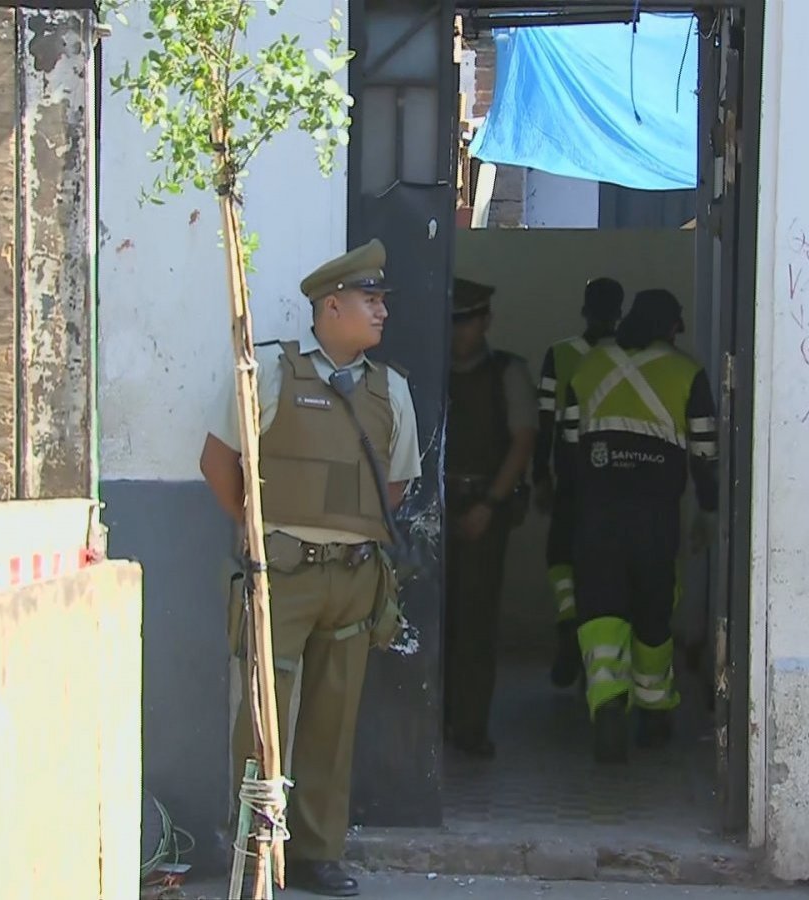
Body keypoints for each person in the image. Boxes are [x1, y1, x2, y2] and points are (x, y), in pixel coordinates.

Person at [198, 238, 421, 898]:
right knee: (263, 721)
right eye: (370, 301)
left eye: (382, 302)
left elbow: (398, 484)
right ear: (331, 306)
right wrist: (261, 532)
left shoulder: (392, 390)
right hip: (282, 576)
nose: (382, 312)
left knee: (333, 720)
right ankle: (254, 849)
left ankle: (320, 852)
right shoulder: (268, 373)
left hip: (354, 581)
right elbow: (219, 463)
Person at [560, 288, 718, 763]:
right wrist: (707, 512)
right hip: (655, 517)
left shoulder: (588, 368)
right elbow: (705, 454)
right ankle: (653, 713)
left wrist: (567, 505)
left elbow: (567, 447)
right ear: (671, 328)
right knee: (653, 609)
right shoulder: (688, 373)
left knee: (601, 607)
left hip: (596, 513)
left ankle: (608, 704)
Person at [442, 277, 538, 759]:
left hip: (485, 504)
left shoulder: (507, 373)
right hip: (434, 509)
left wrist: (490, 504)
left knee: (475, 625)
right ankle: (432, 725)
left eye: (467, 322)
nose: (459, 333)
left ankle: (469, 728)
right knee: (432, 619)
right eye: (453, 322)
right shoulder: (430, 370)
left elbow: (522, 441)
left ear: (485, 323)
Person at [533, 277, 625, 688]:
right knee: (608, 568)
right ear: (619, 312)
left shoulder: (561, 353)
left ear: (584, 309)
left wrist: (540, 475)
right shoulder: (631, 356)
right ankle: (594, 650)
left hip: (571, 475)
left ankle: (569, 626)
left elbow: (544, 420)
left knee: (561, 557)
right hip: (617, 480)